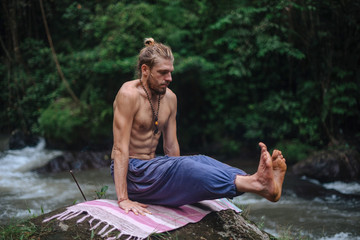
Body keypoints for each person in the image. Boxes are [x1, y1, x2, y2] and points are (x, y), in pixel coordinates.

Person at [110, 38, 287, 216]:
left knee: (201, 160)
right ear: (145, 70)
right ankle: (257, 184)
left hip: (155, 168)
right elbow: (119, 149)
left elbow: (171, 146)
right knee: (185, 166)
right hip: (134, 175)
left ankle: (258, 181)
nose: (169, 78)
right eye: (163, 73)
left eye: (170, 72)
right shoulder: (129, 94)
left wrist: (179, 186)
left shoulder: (170, 98)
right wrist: (123, 198)